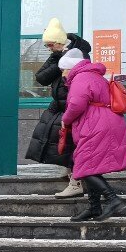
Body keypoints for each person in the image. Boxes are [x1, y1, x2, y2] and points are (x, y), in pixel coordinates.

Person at [58, 48, 126, 222]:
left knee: (83, 165)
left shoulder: (81, 78)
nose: (63, 74)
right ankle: (94, 208)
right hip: (105, 122)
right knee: (90, 165)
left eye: (64, 69)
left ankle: (113, 200)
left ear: (71, 67)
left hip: (96, 125)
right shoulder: (94, 76)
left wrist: (65, 119)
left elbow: (77, 104)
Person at [25, 18, 92, 198]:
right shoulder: (57, 54)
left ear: (60, 41)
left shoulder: (80, 53)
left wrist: (64, 59)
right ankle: (69, 171)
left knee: (72, 145)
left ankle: (76, 182)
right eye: (46, 45)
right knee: (55, 139)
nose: (49, 48)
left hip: (73, 105)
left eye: (50, 45)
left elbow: (78, 80)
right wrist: (58, 59)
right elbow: (41, 77)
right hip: (59, 105)